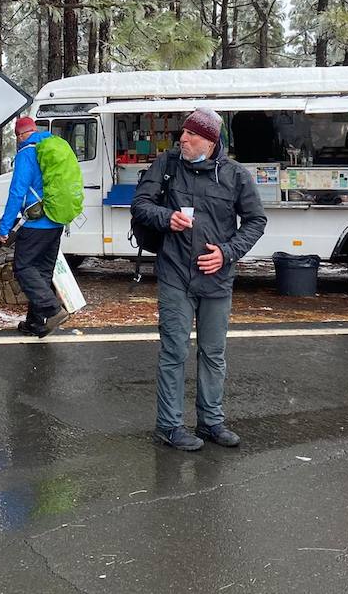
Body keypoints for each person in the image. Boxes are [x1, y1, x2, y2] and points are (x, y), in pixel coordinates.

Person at [132, 107, 267, 451]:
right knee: (174, 351)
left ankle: (211, 422)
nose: (184, 139)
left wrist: (227, 252)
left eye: (192, 135)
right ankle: (169, 426)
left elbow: (255, 221)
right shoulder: (167, 165)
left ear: (210, 140)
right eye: (184, 133)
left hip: (217, 278)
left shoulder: (235, 175)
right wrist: (166, 217)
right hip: (175, 273)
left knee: (213, 353)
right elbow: (141, 205)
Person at [0, 116, 68, 337]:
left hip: (37, 222)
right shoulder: (53, 148)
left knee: (24, 267)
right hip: (57, 219)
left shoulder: (27, 153)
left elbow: (17, 192)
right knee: (43, 271)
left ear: (20, 135)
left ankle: (53, 309)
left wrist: (4, 227)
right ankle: (35, 323)